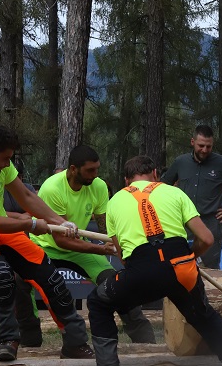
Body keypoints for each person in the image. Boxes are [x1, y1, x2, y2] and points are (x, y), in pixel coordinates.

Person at [86, 155, 222, 366]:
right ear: (155, 174)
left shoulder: (115, 201)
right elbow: (207, 239)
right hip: (182, 268)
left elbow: (122, 256)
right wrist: (189, 257)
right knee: (203, 316)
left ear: (126, 180)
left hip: (141, 271)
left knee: (98, 301)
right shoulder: (175, 193)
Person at [0, 124, 92, 362]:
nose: (7, 164)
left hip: (3, 233)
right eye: (4, 159)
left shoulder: (2, 165)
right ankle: (7, 341)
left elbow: (25, 196)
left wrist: (58, 221)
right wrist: (32, 225)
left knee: (50, 276)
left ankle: (75, 343)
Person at [14, 144, 157, 347]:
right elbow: (61, 240)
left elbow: (106, 225)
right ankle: (30, 340)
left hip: (78, 247)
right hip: (47, 246)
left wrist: (117, 244)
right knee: (21, 280)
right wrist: (102, 249)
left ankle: (146, 341)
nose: (95, 174)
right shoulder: (52, 188)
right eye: (90, 170)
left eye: (97, 169)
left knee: (116, 282)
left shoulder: (97, 186)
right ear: (73, 169)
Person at [161, 125, 222, 268]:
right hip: (183, 223)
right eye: (201, 145)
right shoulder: (181, 162)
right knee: (180, 265)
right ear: (192, 142)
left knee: (210, 268)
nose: (204, 150)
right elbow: (162, 187)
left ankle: (209, 291)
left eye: (208, 146)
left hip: (211, 223)